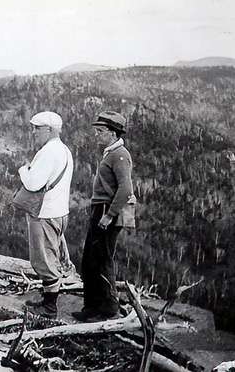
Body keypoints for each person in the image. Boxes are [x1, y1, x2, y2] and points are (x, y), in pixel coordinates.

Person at [72, 111, 135, 322]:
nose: (97, 135)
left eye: (101, 131)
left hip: (107, 210)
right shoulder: (111, 152)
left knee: (102, 260)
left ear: (114, 133)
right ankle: (91, 306)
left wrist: (109, 215)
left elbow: (126, 189)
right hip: (101, 208)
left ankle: (108, 310)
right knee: (90, 259)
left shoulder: (120, 155)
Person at [19, 111, 74, 318]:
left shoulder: (48, 152)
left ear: (49, 130)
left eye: (37, 129)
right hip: (59, 211)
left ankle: (50, 307)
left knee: (43, 259)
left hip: (44, 213)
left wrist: (23, 170)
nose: (34, 133)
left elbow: (33, 183)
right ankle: (48, 299)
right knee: (51, 254)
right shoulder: (64, 151)